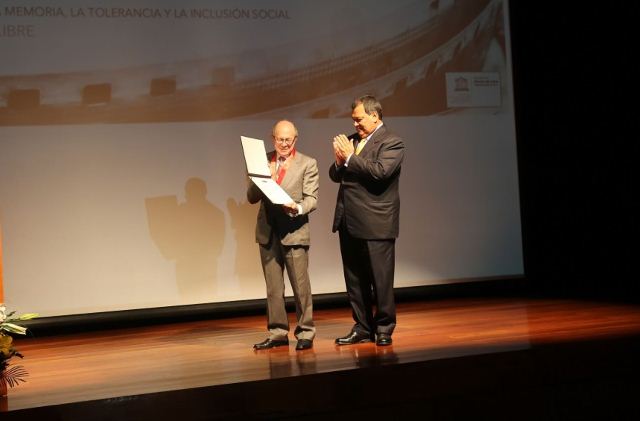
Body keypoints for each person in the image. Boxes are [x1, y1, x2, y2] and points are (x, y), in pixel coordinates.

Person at [330, 95, 404, 346]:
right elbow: (335, 175)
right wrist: (340, 162)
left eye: (359, 119)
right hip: (348, 220)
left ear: (375, 115)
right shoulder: (352, 141)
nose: (355, 125)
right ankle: (362, 327)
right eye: (353, 120)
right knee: (354, 279)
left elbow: (380, 172)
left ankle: (384, 328)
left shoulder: (392, 142)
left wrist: (350, 158)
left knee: (380, 281)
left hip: (376, 222)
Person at [248, 120, 319, 351]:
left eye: (289, 139)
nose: (285, 144)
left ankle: (305, 332)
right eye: (280, 139)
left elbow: (312, 199)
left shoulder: (307, 163)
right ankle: (278, 333)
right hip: (268, 232)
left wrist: (297, 208)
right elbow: (251, 197)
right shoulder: (262, 161)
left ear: (295, 139)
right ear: (273, 139)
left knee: (301, 287)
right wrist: (263, 179)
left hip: (294, 231)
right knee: (273, 289)